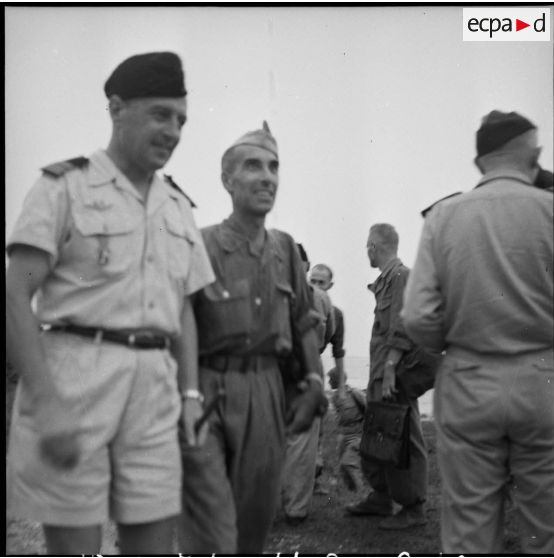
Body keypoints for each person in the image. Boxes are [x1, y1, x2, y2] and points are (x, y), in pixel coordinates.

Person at [5, 52, 215, 555]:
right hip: (75, 381)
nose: (173, 131)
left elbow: (182, 309)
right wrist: (47, 402)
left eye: (181, 120)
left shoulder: (178, 207)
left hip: (155, 393)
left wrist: (190, 397)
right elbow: (15, 294)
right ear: (117, 108)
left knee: (154, 546)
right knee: (75, 548)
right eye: (160, 114)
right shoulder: (64, 187)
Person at [401, 110, 554, 554]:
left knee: (469, 530)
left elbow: (417, 316)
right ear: (535, 154)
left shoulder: (445, 216)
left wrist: (456, 342)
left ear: (480, 162)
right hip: (543, 379)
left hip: (468, 378)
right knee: (545, 530)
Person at [178, 122, 327, 554]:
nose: (267, 177)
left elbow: (302, 322)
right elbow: (180, 322)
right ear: (227, 180)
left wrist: (314, 383)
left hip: (265, 393)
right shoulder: (200, 245)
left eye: (274, 167)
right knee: (206, 522)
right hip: (207, 389)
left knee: (255, 521)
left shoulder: (285, 250)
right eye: (253, 166)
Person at [346, 223, 428, 530]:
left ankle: (414, 507)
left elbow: (401, 327)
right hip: (382, 374)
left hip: (394, 375)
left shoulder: (400, 276)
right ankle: (381, 497)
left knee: (404, 438)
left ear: (373, 246)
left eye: (368, 245)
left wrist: (391, 370)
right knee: (379, 436)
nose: (366, 250)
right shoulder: (387, 279)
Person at [280, 250, 335, 523]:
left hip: (277, 368)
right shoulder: (320, 297)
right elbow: (328, 334)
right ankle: (296, 508)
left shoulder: (270, 290)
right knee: (303, 441)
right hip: (308, 365)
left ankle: (278, 503)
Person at [309, 263, 346, 496]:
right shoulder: (296, 307)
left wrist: (341, 389)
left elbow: (338, 352)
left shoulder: (336, 314)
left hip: (314, 365)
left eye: (321, 282)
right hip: (290, 368)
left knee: (316, 425)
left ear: (330, 285)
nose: (316, 286)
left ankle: (313, 478)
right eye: (312, 281)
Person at [327, 367, 367, 494]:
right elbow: (341, 416)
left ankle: (360, 491)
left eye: (330, 379)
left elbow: (369, 410)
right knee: (342, 467)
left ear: (337, 380)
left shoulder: (355, 393)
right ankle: (350, 492)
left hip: (357, 434)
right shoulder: (334, 397)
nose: (328, 382)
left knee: (348, 463)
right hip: (343, 435)